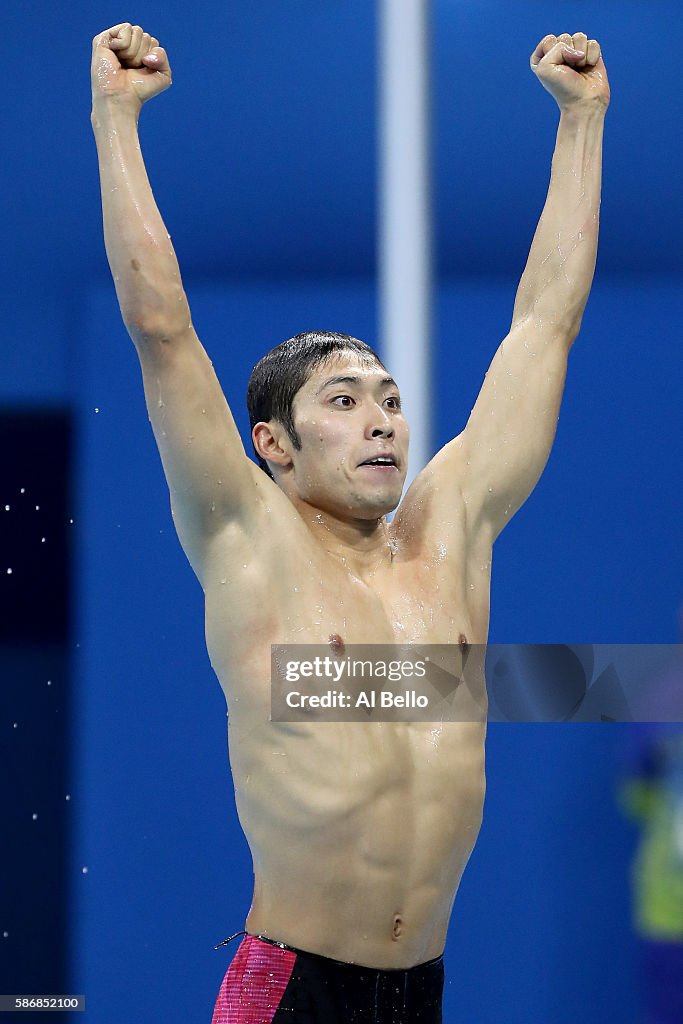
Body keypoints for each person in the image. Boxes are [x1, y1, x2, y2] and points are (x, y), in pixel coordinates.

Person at [90, 22, 610, 1023]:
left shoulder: (448, 531)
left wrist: (580, 124)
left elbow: (545, 321)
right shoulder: (249, 538)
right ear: (272, 445)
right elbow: (160, 329)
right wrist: (116, 117)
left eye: (387, 398)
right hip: (291, 987)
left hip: (420, 988)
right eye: (340, 400)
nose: (379, 418)